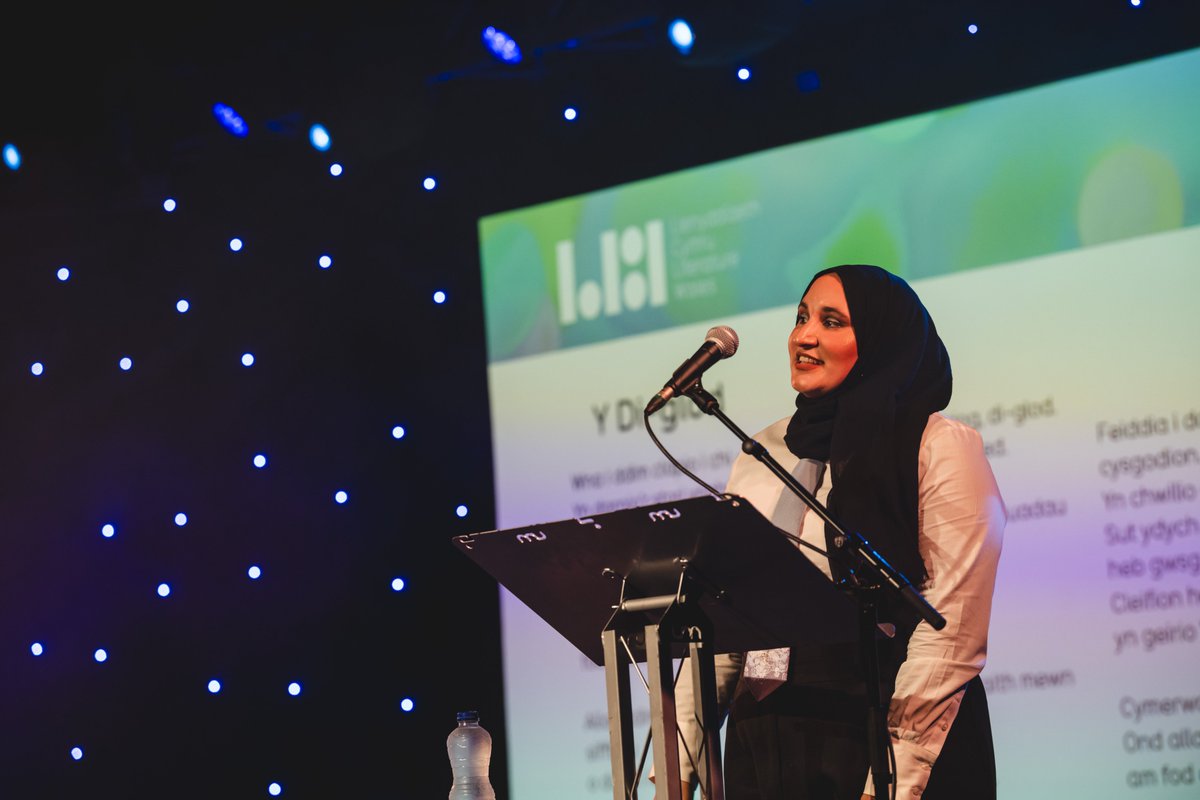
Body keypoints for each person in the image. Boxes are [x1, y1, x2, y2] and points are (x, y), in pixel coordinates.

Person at [661, 264, 1005, 799]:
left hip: (883, 731)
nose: (804, 335)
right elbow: (727, 623)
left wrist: (892, 780)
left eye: (832, 321)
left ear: (879, 339)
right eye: (801, 317)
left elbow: (952, 627)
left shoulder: (937, 446)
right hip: (768, 741)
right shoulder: (762, 452)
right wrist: (679, 760)